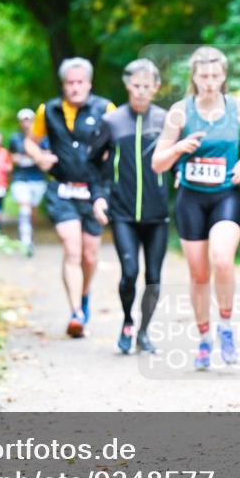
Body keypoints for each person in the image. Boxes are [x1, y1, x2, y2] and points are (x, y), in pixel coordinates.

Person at [151, 47, 240, 371]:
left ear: (224, 76)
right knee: (199, 275)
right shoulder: (180, 112)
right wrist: (179, 147)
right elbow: (158, 163)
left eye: (216, 76)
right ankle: (204, 340)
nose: (210, 82)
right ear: (194, 78)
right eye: (204, 76)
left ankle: (226, 327)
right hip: (191, 199)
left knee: (222, 259)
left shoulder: (239, 107)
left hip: (226, 195)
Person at [25, 57, 116, 338]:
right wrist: (39, 156)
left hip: (94, 190)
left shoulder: (105, 109)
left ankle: (84, 296)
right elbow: (31, 140)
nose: (75, 88)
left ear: (89, 83)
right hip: (61, 188)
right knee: (71, 248)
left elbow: (118, 146)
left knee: (89, 255)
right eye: (70, 83)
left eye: (80, 82)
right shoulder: (48, 110)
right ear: (63, 85)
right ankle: (76, 312)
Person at [88, 59, 170, 354]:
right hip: (122, 212)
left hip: (158, 214)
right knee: (130, 271)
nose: (140, 92)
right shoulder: (112, 122)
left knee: (154, 278)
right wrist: (98, 196)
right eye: (136, 86)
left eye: (147, 86)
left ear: (156, 88)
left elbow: (182, 157)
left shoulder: (166, 121)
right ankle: (126, 322)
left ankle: (144, 331)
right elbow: (92, 163)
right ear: (127, 86)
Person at [8, 108, 49, 257]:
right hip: (20, 179)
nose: (26, 123)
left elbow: (47, 156)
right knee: (24, 207)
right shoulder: (15, 139)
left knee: (33, 211)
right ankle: (25, 241)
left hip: (37, 179)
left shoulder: (43, 139)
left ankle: (30, 236)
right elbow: (12, 157)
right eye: (23, 120)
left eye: (29, 120)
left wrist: (36, 157)